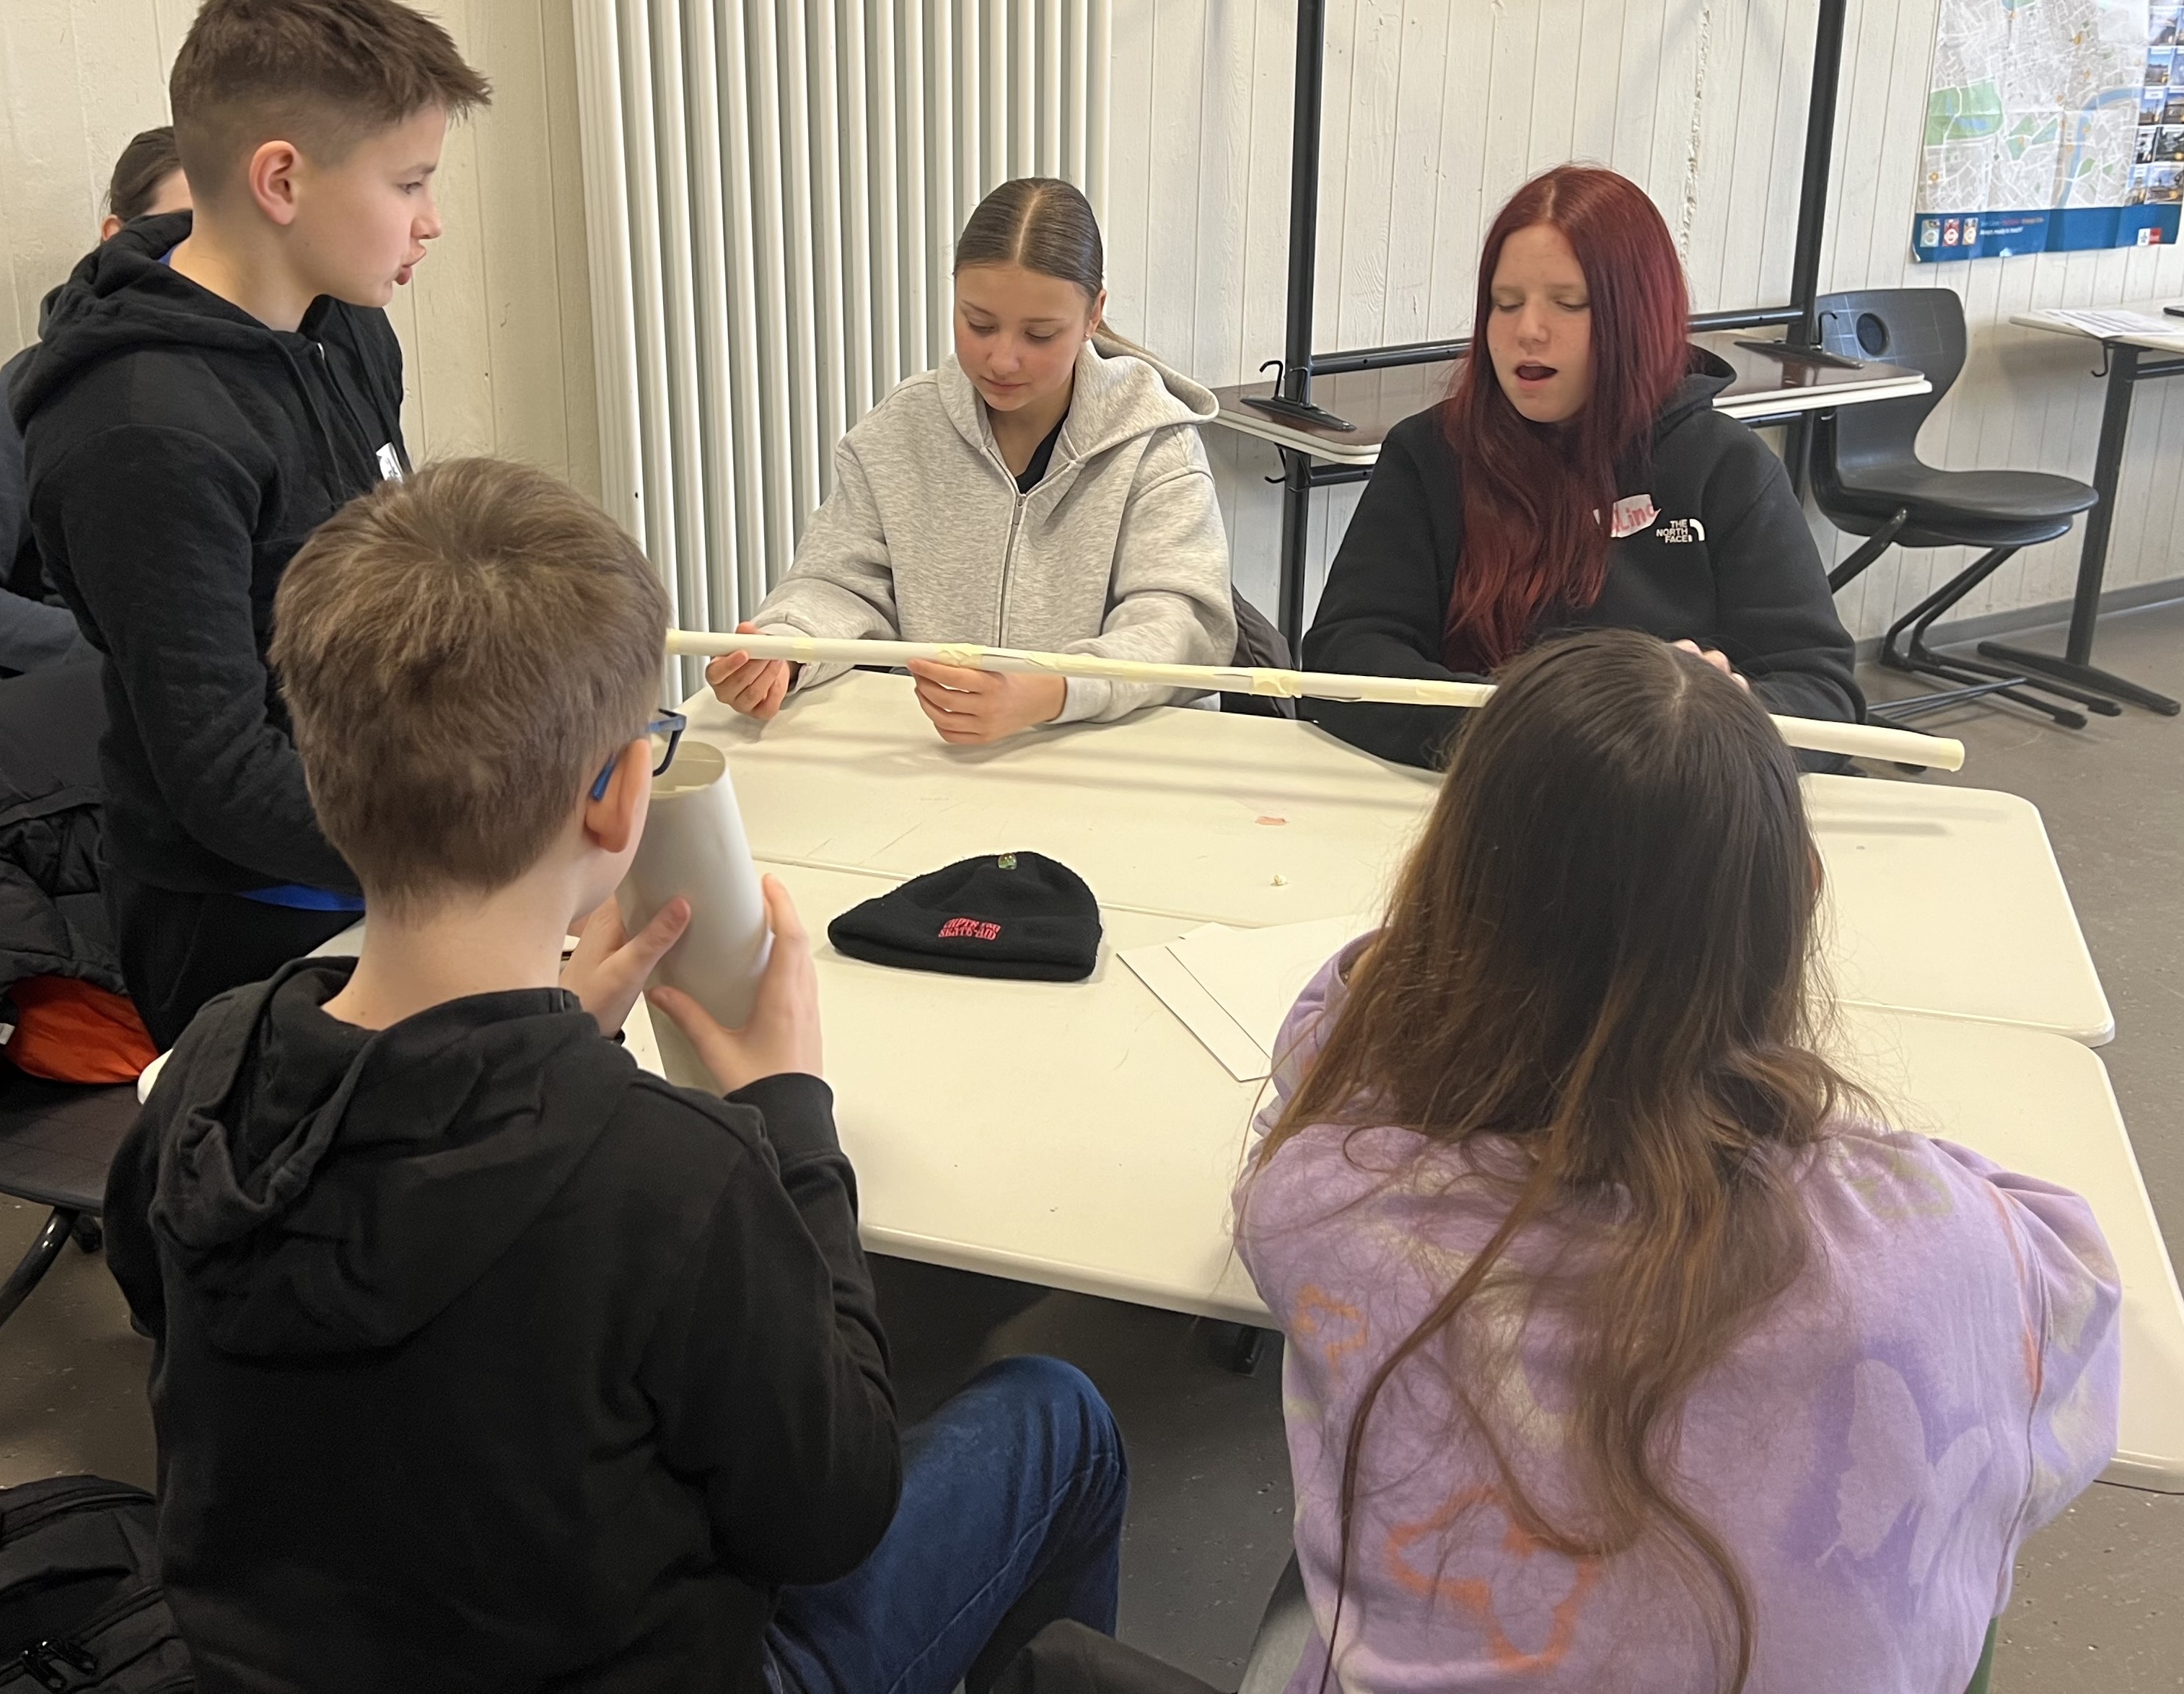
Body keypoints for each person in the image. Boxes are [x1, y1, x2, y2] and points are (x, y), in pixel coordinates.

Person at [102, 456, 1129, 1693]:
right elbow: (835, 1510)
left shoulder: (208, 1066)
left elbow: (178, 1299)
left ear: (322, 775)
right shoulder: (674, 1175)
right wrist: (791, 1122)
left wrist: (555, 1044)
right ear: (620, 798)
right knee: (1058, 1416)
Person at [1234, 629, 2118, 1693]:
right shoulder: (1941, 1248)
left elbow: (1319, 1062)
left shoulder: (1326, 1203)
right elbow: (2072, 1296)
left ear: (1445, 899)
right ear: (1797, 897)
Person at [11, 0, 490, 1048]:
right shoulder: (142, 430)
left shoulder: (346, 324)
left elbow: (388, 589)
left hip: (382, 846)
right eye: (409, 183)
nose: (431, 221)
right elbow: (223, 776)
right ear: (281, 180)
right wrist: (478, 849)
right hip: (249, 916)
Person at [1298, 166, 1864, 768]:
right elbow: (1346, 657)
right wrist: (1527, 727)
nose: (1528, 331)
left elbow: (1823, 695)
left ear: (1637, 317)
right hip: (1483, 796)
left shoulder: (1727, 467)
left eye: (1568, 304)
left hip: (1674, 805)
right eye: (1505, 304)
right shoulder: (1432, 454)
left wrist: (1721, 712)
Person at [706, 177, 1237, 745]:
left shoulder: (1155, 443)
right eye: (978, 324)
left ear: (1093, 316)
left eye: (1040, 335)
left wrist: (1055, 690)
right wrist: (785, 647)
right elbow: (839, 583)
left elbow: (1179, 624)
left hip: (1106, 757)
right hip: (938, 758)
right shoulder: (900, 431)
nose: (1002, 359)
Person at [0, 127, 191, 678]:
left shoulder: (305, 370)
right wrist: (119, 661)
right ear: (117, 237)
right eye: (184, 228)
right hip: (112, 709)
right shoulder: (39, 384)